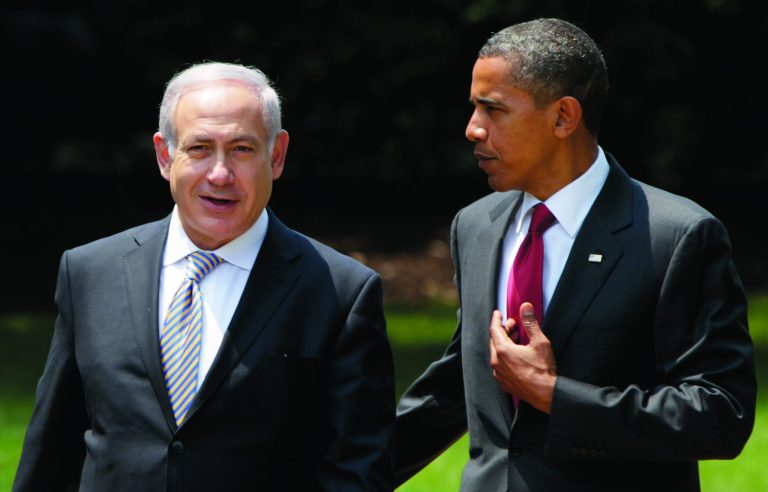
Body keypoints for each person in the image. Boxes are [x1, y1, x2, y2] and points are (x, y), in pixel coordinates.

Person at [395, 18, 756, 491]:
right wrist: (339, 471)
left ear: (564, 117)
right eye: (474, 108)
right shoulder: (476, 226)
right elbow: (460, 387)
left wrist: (555, 396)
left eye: (493, 109)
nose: (473, 129)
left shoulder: (675, 236)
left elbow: (720, 414)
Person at [14, 62, 395, 491]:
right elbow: (52, 452)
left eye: (242, 149)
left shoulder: (340, 292)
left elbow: (356, 472)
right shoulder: (90, 273)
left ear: (276, 155)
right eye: (199, 148)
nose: (220, 174)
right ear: (164, 156)